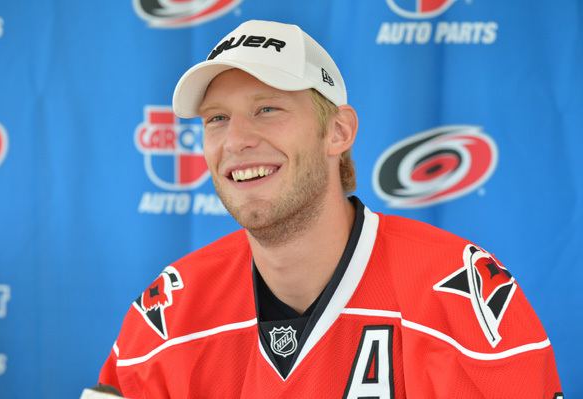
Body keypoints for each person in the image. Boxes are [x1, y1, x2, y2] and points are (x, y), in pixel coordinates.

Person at [98, 20, 562, 398]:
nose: (236, 140)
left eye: (268, 109)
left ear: (337, 132)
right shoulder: (170, 311)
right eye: (217, 118)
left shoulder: (458, 292)